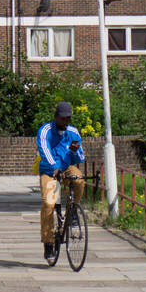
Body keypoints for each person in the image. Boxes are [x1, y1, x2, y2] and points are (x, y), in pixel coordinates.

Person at [36, 100, 85, 257]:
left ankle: (74, 210)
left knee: (79, 179)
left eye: (68, 119)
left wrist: (75, 151)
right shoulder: (45, 131)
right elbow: (45, 153)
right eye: (63, 118)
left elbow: (81, 156)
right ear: (55, 116)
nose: (66, 122)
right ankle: (48, 242)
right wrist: (55, 168)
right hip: (49, 171)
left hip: (66, 167)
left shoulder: (73, 133)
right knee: (49, 203)